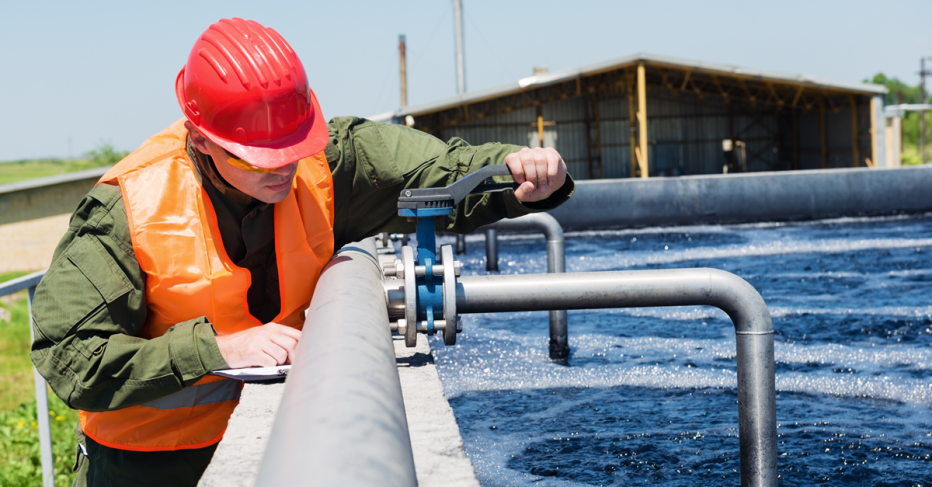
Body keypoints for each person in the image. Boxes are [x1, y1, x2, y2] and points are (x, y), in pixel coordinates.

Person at [30, 18, 573, 487]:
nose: (284, 168)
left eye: (295, 147)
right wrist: (214, 350)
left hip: (287, 444)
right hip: (148, 470)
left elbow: (440, 172)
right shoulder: (125, 210)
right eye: (260, 159)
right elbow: (69, 357)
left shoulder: (331, 160)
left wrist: (520, 171)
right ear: (202, 140)